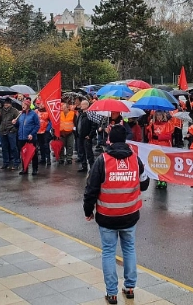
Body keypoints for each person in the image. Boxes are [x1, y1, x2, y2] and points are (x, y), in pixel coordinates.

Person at [83, 125, 150, 305]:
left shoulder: (102, 161)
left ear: (109, 140)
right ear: (125, 141)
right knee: (129, 249)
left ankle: (111, 293)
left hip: (107, 216)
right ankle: (129, 288)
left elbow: (91, 189)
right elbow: (144, 184)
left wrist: (88, 211)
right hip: (130, 215)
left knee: (108, 252)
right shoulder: (136, 159)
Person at [147, 111, 173, 189]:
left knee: (163, 165)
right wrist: (150, 129)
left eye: (160, 115)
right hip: (154, 146)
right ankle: (158, 179)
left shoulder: (167, 124)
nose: (159, 117)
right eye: (157, 115)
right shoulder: (152, 124)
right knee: (156, 164)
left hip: (164, 147)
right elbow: (149, 137)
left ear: (163, 116)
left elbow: (168, 136)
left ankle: (164, 180)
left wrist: (158, 137)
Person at [16, 99, 40, 175]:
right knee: (23, 153)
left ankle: (35, 169)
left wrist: (32, 134)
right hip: (21, 137)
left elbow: (37, 125)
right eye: (22, 105)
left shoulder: (33, 114)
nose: (23, 106)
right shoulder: (21, 114)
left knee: (33, 153)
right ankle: (24, 169)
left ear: (28, 106)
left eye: (24, 105)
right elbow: (18, 126)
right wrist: (14, 123)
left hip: (30, 137)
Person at [0, 98, 20, 170]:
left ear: (10, 104)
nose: (6, 104)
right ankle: (6, 162)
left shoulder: (14, 111)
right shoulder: (1, 111)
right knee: (4, 148)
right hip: (2, 131)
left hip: (11, 131)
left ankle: (16, 162)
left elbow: (18, 122)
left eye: (7, 103)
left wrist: (14, 128)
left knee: (13, 147)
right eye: (5, 103)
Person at [76, 100, 98, 173]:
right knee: (81, 152)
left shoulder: (90, 114)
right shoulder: (81, 114)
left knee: (89, 153)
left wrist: (90, 135)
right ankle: (84, 166)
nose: (81, 106)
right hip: (80, 136)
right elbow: (78, 124)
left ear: (86, 105)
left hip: (86, 136)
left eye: (82, 104)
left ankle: (92, 167)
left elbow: (94, 126)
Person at [35, 100, 52, 166]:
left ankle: (48, 159)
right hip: (38, 131)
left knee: (46, 145)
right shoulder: (36, 112)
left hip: (45, 131)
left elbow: (51, 122)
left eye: (42, 104)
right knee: (41, 145)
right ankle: (43, 158)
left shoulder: (48, 112)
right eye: (39, 104)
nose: (41, 105)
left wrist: (47, 129)